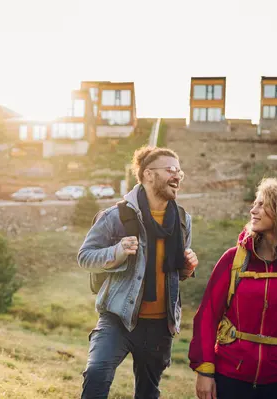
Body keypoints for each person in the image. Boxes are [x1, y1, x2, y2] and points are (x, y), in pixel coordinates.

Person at [188, 178, 277, 399]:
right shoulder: (233, 259)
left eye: (262, 204)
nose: (253, 210)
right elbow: (207, 317)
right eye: (255, 203)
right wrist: (205, 371)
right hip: (230, 378)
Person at [78, 146, 199, 399]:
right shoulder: (116, 216)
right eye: (169, 170)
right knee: (97, 373)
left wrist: (187, 266)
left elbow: (176, 273)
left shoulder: (183, 220)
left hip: (159, 325)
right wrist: (117, 252)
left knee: (148, 392)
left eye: (179, 171)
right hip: (118, 317)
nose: (176, 176)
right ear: (147, 175)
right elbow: (85, 257)